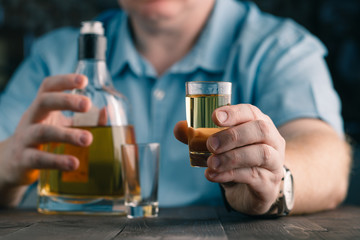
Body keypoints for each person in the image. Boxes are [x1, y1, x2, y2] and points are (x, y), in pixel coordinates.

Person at [0, 0, 351, 216]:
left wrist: (273, 185)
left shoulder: (279, 48)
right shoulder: (55, 57)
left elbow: (326, 157)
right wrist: (7, 168)